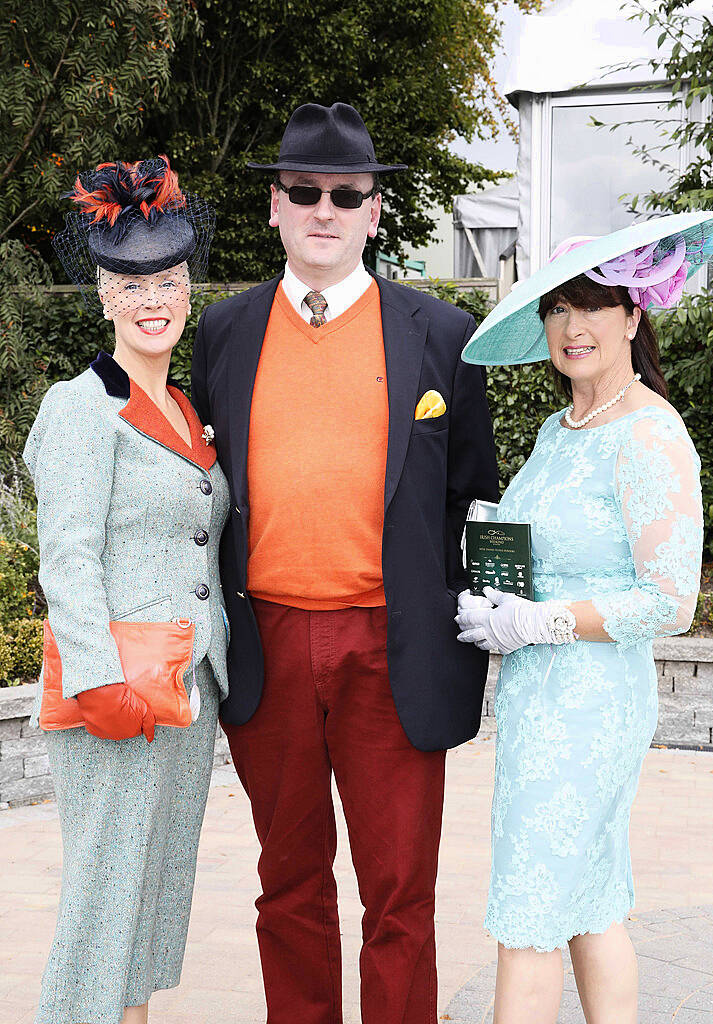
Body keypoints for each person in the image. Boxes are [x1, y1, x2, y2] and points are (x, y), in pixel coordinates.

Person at [191, 102, 498, 1023]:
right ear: (274, 208)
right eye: (303, 191)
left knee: (399, 896)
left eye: (346, 194)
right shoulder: (222, 331)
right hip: (269, 645)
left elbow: (472, 494)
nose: (323, 209)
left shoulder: (443, 334)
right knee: (287, 887)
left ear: (373, 212)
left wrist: (487, 620)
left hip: (394, 649)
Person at [457, 212, 713, 1024]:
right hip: (534, 699)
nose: (572, 325)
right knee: (586, 904)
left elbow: (671, 599)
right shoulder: (558, 430)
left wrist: (537, 624)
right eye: (557, 308)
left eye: (593, 306)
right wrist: (493, 595)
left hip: (589, 706)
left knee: (529, 916)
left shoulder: (651, 433)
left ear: (633, 316)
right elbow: (539, 555)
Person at [24, 156, 230, 1024]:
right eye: (131, 283)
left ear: (188, 289)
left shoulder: (186, 405)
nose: (154, 299)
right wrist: (98, 680)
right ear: (102, 295)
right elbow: (65, 557)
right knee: (102, 910)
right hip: (119, 693)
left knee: (144, 912)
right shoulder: (79, 407)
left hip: (186, 689)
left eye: (170, 281)